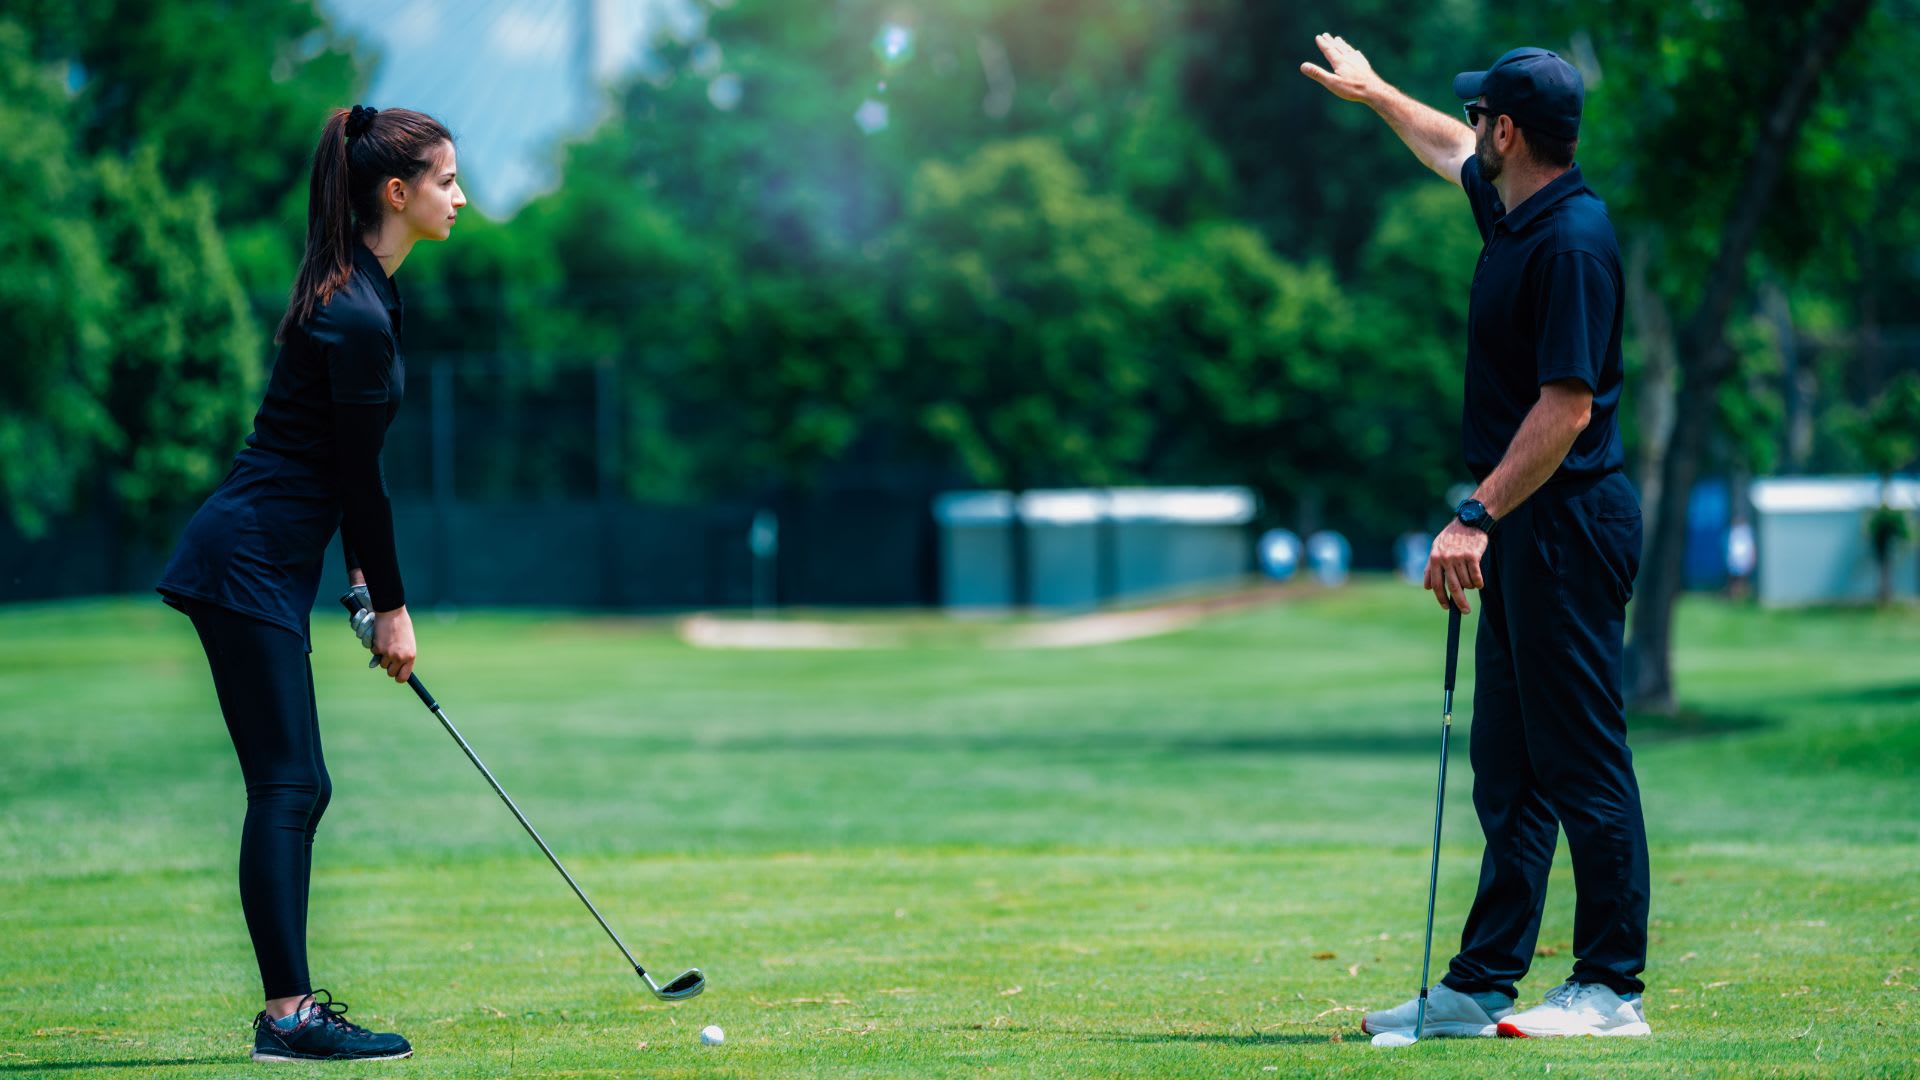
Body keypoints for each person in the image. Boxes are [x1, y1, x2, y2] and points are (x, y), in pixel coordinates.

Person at [1302, 37, 1652, 1038]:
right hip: (1526, 523)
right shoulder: (1514, 208)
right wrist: (1376, 94)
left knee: (1581, 758)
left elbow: (1567, 409)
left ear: (1511, 131)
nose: (1472, 132)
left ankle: (1611, 988)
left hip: (1568, 523)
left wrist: (1476, 515)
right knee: (1509, 765)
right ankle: (1483, 982)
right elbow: (1442, 144)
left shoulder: (1570, 241)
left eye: (1482, 116)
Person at [157, 104, 466, 1062]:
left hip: (259, 563)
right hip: (245, 561)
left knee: (301, 784)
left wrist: (364, 583)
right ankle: (288, 1018)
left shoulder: (367, 296)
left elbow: (340, 460)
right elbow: (362, 481)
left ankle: (288, 1012)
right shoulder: (356, 312)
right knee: (289, 784)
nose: (460, 197)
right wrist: (395, 610)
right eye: (446, 180)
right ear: (396, 192)